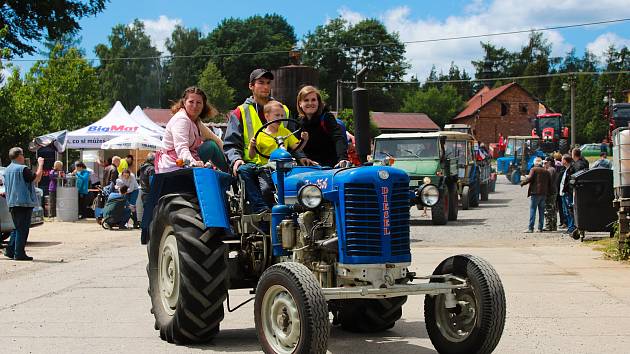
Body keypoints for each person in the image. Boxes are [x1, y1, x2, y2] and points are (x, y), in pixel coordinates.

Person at [224, 69, 310, 213]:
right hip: (252, 163)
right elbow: (231, 144)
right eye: (261, 83)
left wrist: (302, 156)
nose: (265, 86)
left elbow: (292, 140)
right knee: (249, 174)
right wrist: (236, 159)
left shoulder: (284, 111)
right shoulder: (240, 112)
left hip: (282, 164)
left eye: (268, 83)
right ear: (251, 86)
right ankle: (262, 211)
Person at [157, 86, 227, 173]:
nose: (194, 106)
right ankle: (232, 175)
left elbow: (216, 140)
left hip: (186, 162)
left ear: (203, 105)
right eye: (191, 102)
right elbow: (181, 148)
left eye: (198, 103)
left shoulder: (196, 121)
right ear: (184, 102)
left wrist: (232, 157)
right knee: (211, 146)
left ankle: (232, 171)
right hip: (173, 166)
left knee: (212, 144)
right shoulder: (181, 119)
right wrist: (193, 162)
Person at [293, 85, 349, 168]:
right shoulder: (298, 122)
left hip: (329, 167)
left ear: (318, 102)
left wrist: (342, 159)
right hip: (308, 168)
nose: (310, 103)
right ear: (300, 103)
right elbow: (294, 146)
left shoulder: (327, 117)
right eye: (306, 100)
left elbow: (338, 138)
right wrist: (302, 157)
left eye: (313, 100)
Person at [3, 147, 43, 261]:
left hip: (11, 202)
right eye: (22, 154)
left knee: (16, 228)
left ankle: (10, 251)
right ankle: (19, 253)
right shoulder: (23, 169)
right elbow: (36, 179)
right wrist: (40, 164)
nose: (24, 157)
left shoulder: (7, 169)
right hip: (23, 202)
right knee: (23, 229)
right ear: (19, 156)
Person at [520, 157, 552, 233]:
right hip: (543, 193)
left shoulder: (533, 169)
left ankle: (531, 228)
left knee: (533, 210)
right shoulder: (546, 171)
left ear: (535, 163)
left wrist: (523, 182)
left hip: (535, 193)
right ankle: (540, 228)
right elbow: (550, 183)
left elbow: (530, 178)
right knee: (541, 211)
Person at [559, 154, 576, 235]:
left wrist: (566, 190)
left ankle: (571, 227)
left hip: (567, 194)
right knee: (566, 212)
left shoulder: (571, 170)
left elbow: (569, 183)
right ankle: (570, 227)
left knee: (570, 211)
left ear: (565, 161)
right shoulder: (565, 170)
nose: (561, 161)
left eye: (562, 160)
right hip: (563, 193)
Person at [543, 157, 558, 231]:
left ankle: (549, 226)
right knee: (552, 209)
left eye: (545, 163)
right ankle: (553, 226)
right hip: (553, 191)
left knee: (548, 209)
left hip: (550, 192)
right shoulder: (552, 169)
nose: (544, 164)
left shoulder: (550, 170)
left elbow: (548, 181)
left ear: (549, 162)